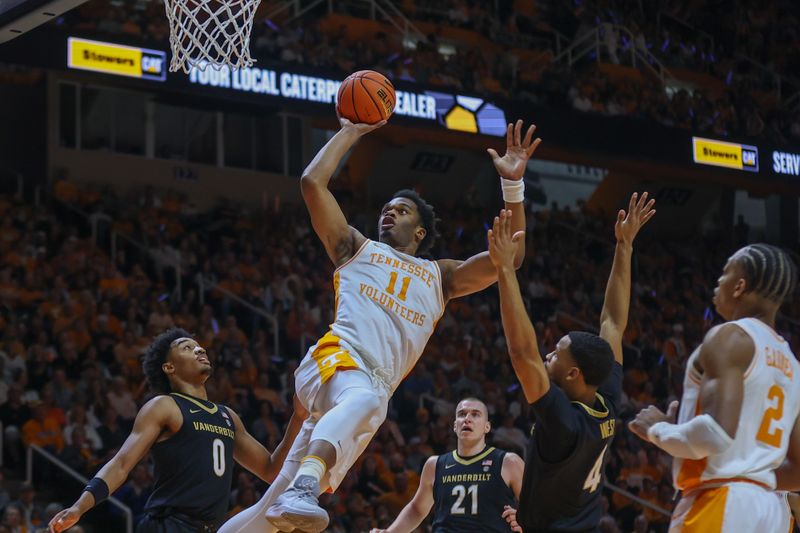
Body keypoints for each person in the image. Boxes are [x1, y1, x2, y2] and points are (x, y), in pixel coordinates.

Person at [220, 117, 541, 533]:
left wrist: (513, 187)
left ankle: (294, 491)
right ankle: (304, 487)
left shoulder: (439, 277)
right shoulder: (356, 248)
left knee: (271, 517)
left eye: (401, 210)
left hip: (368, 393)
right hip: (335, 361)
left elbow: (509, 258)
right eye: (386, 209)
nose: (389, 214)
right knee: (359, 412)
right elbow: (312, 184)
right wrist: (352, 132)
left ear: (420, 231)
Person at [491, 192, 655, 532]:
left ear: (573, 373)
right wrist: (624, 246)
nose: (548, 354)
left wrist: (505, 269)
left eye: (555, 354)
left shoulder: (563, 422)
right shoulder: (605, 397)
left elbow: (523, 354)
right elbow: (612, 322)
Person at [49, 328, 308, 533]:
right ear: (169, 367)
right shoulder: (165, 406)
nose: (199, 349)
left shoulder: (227, 416)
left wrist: (297, 418)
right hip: (169, 524)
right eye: (187, 348)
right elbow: (121, 465)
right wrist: (79, 507)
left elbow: (271, 470)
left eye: (198, 346)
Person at [630, 243, 799, 532]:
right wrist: (749, 467)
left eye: (725, 273)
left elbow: (715, 434)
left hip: (721, 502)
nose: (718, 281)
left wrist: (658, 430)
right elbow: (797, 471)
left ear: (740, 287)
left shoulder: (730, 336)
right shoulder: (792, 365)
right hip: (770, 512)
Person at [369, 397, 524, 533]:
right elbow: (417, 509)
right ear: (455, 425)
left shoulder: (508, 462)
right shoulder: (435, 465)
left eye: (475, 414)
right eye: (462, 414)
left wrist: (523, 519)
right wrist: (391, 531)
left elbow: (537, 507)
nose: (467, 419)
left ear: (487, 427)